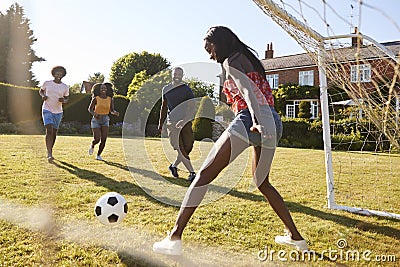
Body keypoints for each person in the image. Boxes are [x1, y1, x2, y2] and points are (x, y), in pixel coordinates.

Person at [153, 26, 308, 255]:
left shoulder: (231, 62)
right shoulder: (250, 59)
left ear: (220, 43)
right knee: (262, 182)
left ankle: (174, 238)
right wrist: (262, 120)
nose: (209, 55)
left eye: (210, 48)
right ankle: (296, 238)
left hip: (251, 120)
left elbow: (247, 91)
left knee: (204, 175)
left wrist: (255, 119)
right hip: (274, 121)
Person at [158, 67, 196, 182]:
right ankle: (192, 173)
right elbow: (163, 107)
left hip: (185, 122)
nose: (177, 75)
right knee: (180, 148)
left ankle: (173, 166)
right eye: (175, 73)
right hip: (172, 122)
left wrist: (184, 120)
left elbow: (192, 108)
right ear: (172, 74)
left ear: (182, 75)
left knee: (188, 147)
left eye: (180, 74)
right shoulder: (166, 89)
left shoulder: (186, 90)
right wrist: (160, 124)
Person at [38, 66, 69, 163]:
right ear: (54, 74)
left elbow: (67, 98)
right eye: (57, 73)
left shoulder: (65, 87)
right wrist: (43, 96)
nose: (58, 75)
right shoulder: (47, 83)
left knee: (54, 133)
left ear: (63, 75)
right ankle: (49, 154)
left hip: (58, 112)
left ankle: (50, 150)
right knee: (49, 130)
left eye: (60, 74)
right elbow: (41, 91)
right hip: (47, 109)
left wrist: (64, 100)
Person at [88, 82, 119, 160]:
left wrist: (114, 112)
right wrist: (94, 114)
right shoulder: (96, 98)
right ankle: (92, 144)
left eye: (105, 88)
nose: (103, 89)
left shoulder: (110, 99)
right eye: (102, 88)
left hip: (105, 119)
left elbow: (111, 110)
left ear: (107, 89)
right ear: (99, 90)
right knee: (97, 139)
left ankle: (98, 155)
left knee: (104, 139)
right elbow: (90, 109)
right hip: (96, 120)